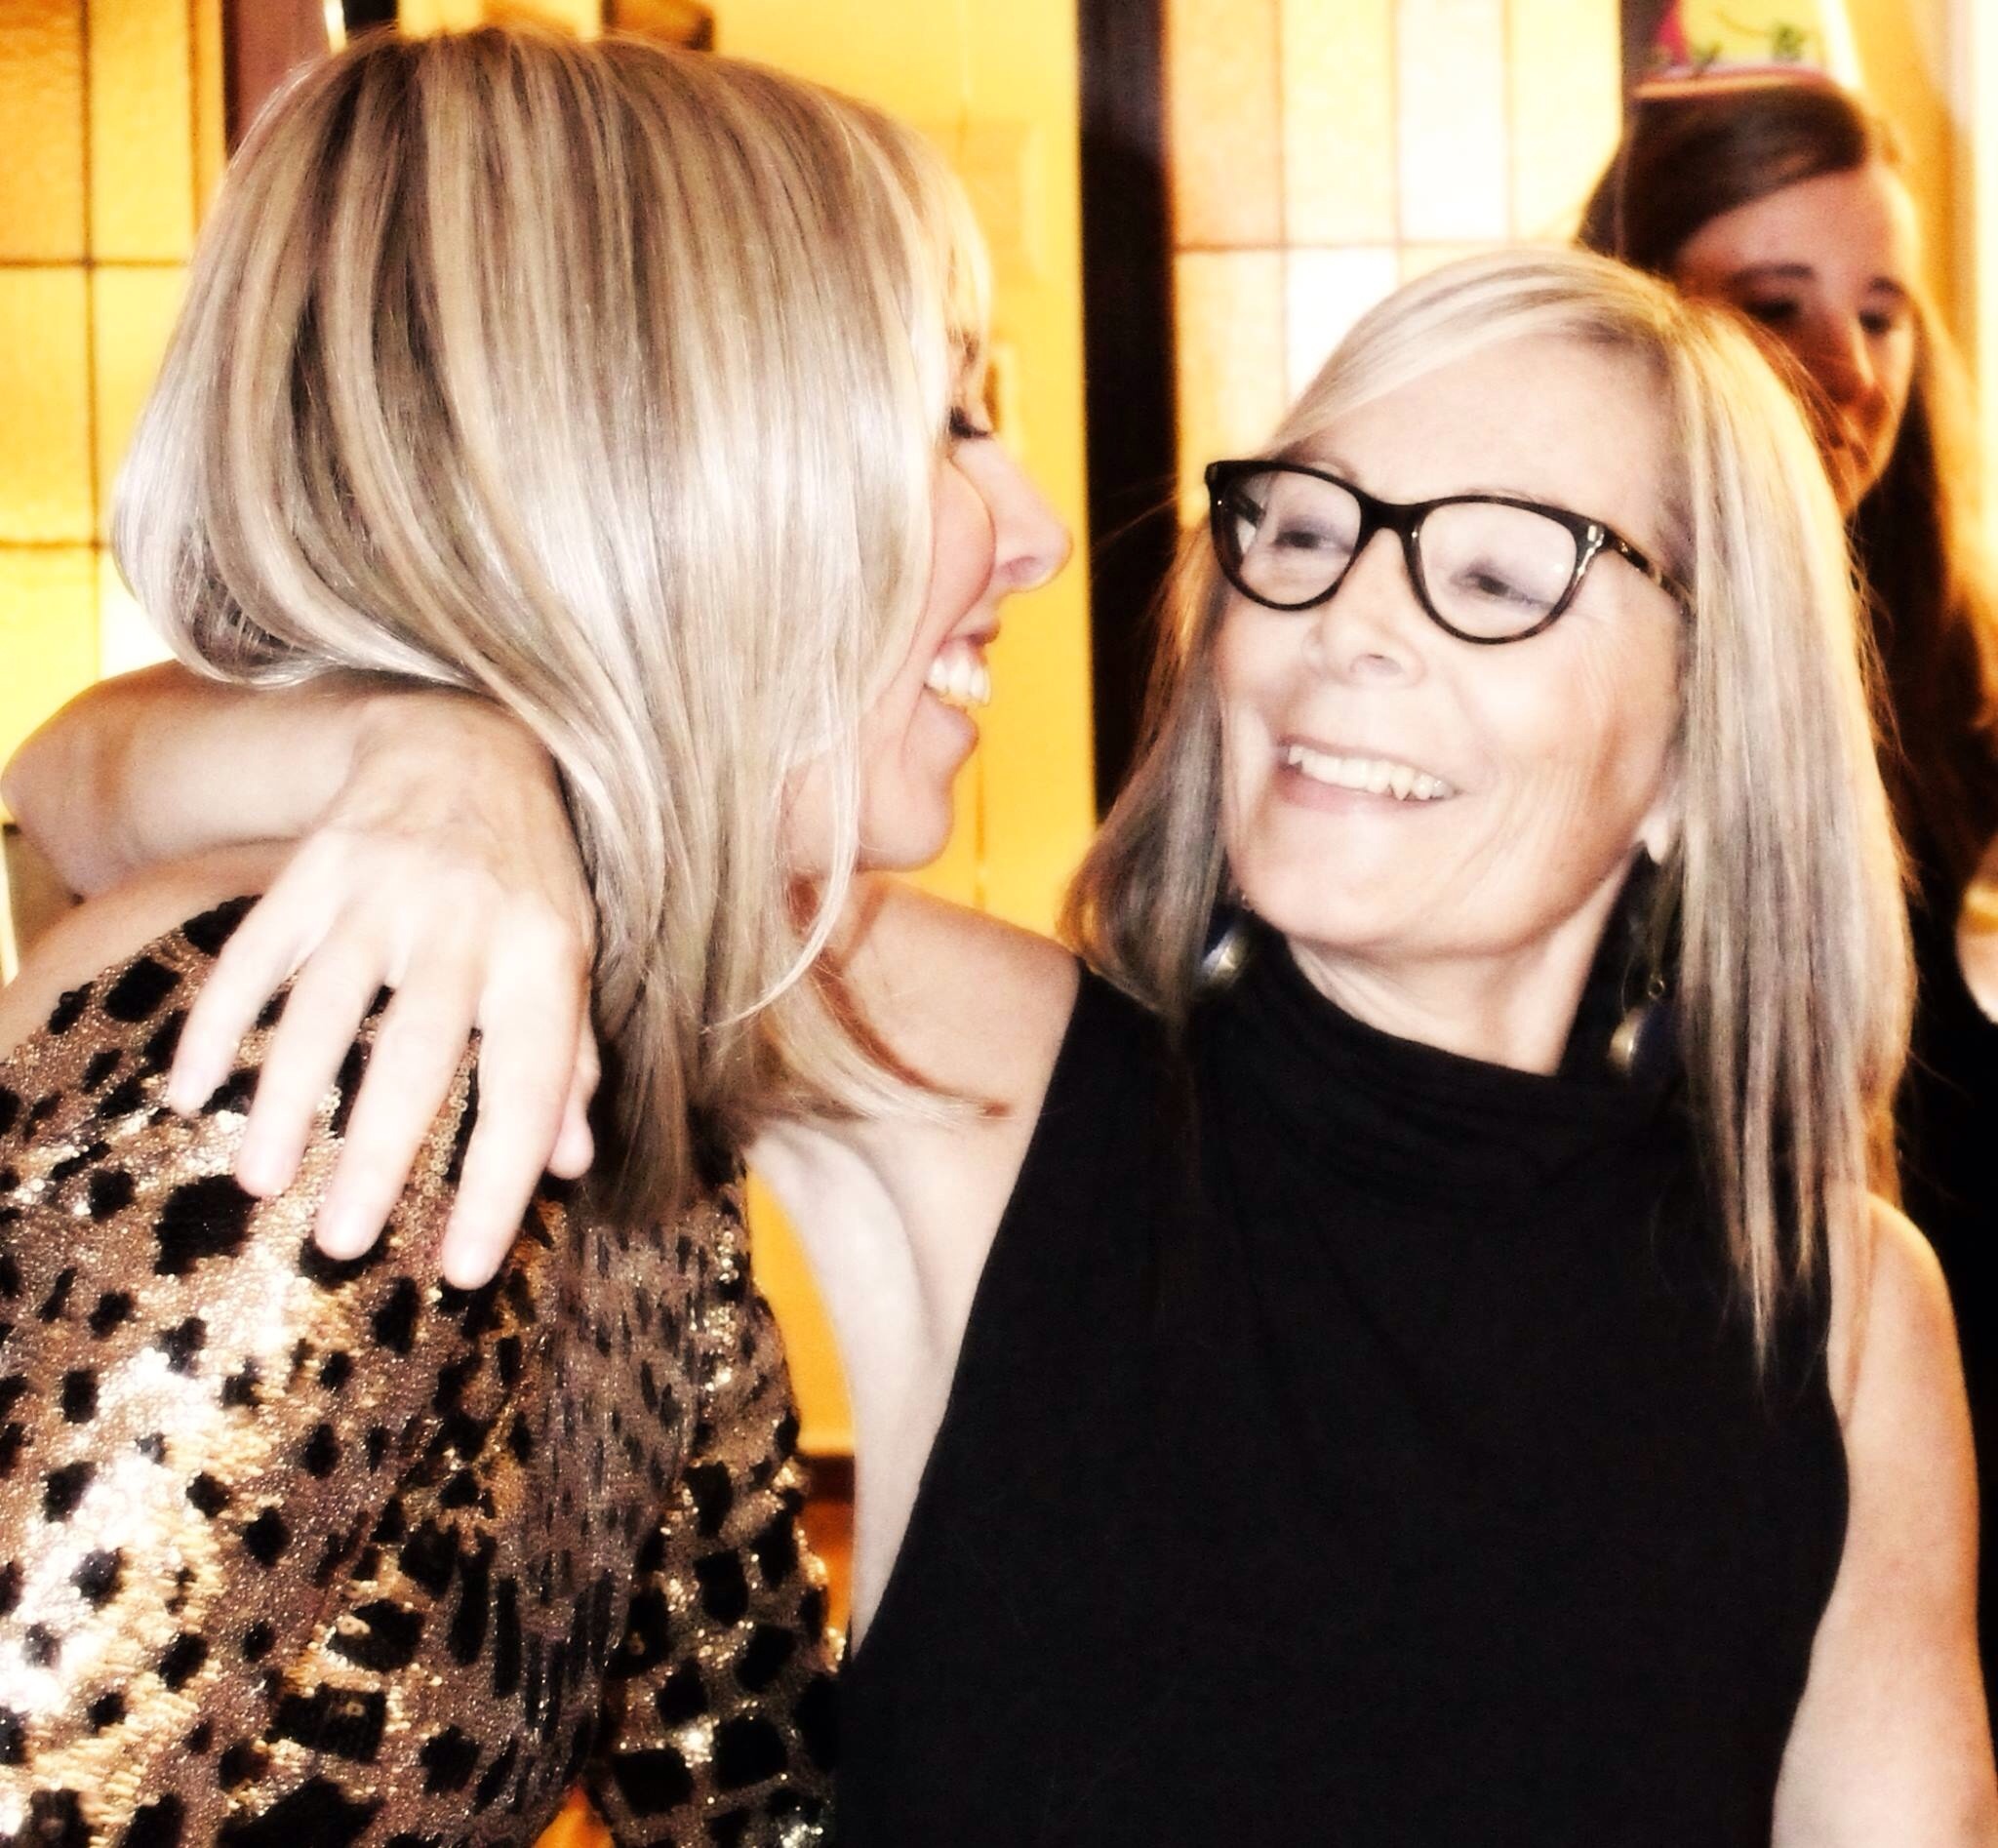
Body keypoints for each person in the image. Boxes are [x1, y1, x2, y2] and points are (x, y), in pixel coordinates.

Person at [17, 243, 1994, 1841]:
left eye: (1492, 572)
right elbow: (77, 802)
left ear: (1703, 746)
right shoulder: (988, 1074)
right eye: (1303, 531)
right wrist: (429, 757)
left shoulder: (1837, 1312)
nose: (1345, 626)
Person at [0, 25, 1068, 1841]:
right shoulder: (357, 1050)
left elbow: (748, 1778)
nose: (1034, 533)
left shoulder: (597, 1042)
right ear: (661, 469)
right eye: (947, 423)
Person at [1579, 80, 1998, 1678]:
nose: (1851, 368)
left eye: (1883, 313)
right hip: (1676, 1486)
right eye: (1775, 304)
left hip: (1938, 1471)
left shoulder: (1955, 684)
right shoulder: (1554, 679)